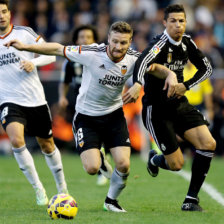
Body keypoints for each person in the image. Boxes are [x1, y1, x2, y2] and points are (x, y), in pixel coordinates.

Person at [5, 21, 178, 212]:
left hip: (114, 115)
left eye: (123, 43)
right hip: (86, 117)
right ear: (108, 40)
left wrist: (170, 74)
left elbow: (155, 68)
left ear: (130, 42)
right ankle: (101, 160)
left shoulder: (135, 59)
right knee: (92, 168)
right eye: (115, 42)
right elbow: (57, 49)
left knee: (124, 164)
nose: (118, 47)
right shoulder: (92, 53)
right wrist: (26, 46)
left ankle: (111, 201)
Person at [123, 4, 216, 212]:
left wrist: (186, 85)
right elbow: (142, 61)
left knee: (208, 143)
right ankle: (156, 159)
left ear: (186, 22)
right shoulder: (159, 44)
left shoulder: (187, 43)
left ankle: (191, 199)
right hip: (157, 110)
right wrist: (138, 84)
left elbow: (207, 68)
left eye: (181, 20)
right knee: (176, 164)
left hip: (179, 104)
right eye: (173, 21)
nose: (178, 25)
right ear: (164, 23)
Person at [0, 0, 68, 206]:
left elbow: (51, 56)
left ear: (9, 13)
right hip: (9, 100)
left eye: (3, 11)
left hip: (35, 100)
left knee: (47, 145)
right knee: (16, 140)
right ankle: (39, 188)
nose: (1, 16)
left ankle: (62, 188)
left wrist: (33, 62)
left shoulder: (24, 33)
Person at [58, 25, 109, 186]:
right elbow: (64, 81)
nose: (85, 40)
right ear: (76, 40)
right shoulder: (71, 60)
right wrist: (62, 97)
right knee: (83, 133)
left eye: (88, 37)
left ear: (94, 40)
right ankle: (95, 159)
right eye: (81, 37)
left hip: (99, 101)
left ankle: (102, 166)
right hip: (79, 101)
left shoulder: (101, 56)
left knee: (102, 134)